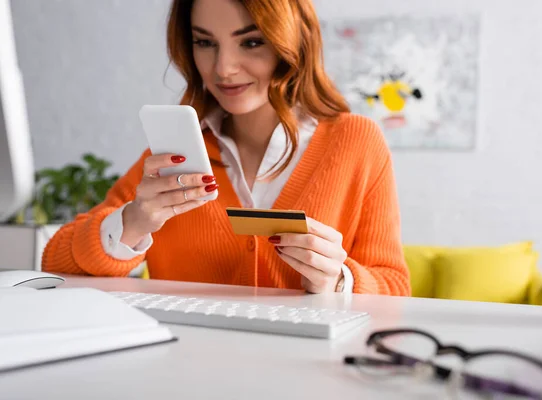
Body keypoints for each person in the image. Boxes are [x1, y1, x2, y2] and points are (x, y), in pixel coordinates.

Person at [42, 0, 411, 296]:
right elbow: (54, 260)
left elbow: (395, 288)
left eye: (251, 42)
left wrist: (340, 279)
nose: (223, 68)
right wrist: (134, 222)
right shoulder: (176, 154)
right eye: (205, 42)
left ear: (292, 41)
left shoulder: (356, 142)